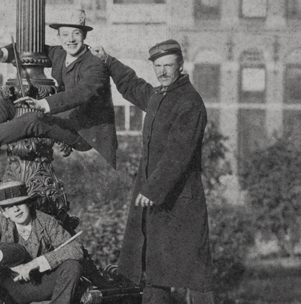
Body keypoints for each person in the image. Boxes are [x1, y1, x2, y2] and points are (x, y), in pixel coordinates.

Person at [92, 40, 215, 303]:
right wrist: (108, 61)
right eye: (158, 66)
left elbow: (178, 154)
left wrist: (152, 189)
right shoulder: (160, 96)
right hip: (157, 205)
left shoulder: (190, 102)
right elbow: (133, 86)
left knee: (195, 278)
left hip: (180, 206)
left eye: (168, 65)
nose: (162, 71)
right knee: (155, 274)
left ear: (180, 65)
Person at [0, 9, 117, 176]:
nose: (70, 39)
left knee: (33, 120)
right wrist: (1, 53)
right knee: (6, 104)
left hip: (85, 134)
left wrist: (43, 104)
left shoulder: (95, 64)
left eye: (76, 34)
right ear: (59, 36)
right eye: (65, 34)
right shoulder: (60, 54)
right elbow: (29, 49)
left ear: (84, 35)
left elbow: (81, 93)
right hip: (67, 119)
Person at [0, 181, 84, 304]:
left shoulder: (46, 222)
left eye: (20, 203)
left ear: (29, 203)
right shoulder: (1, 223)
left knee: (72, 266)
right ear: (4, 212)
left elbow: (75, 249)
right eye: (10, 206)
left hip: (43, 283)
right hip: (14, 286)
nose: (16, 209)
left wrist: (34, 264)